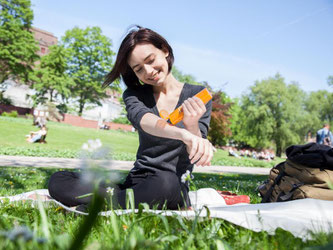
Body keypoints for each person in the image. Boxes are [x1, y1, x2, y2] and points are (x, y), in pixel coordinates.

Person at [48, 26, 214, 211]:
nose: (149, 71)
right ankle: (116, 202)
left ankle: (102, 205)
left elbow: (198, 155)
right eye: (139, 69)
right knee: (59, 180)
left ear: (165, 50)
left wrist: (191, 126)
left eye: (151, 60)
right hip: (136, 182)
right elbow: (146, 121)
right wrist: (183, 134)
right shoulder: (134, 95)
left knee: (165, 183)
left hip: (171, 185)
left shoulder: (197, 95)